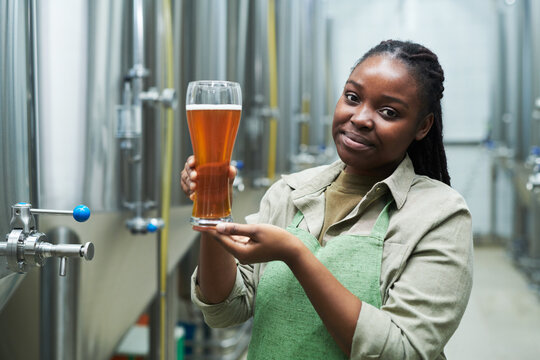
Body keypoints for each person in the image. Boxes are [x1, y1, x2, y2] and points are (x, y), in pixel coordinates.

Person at [180, 40, 473, 359]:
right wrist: (211, 211)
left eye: (388, 111)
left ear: (423, 126)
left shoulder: (440, 214)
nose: (361, 117)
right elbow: (225, 309)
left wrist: (296, 254)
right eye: (352, 97)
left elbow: (402, 351)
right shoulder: (291, 192)